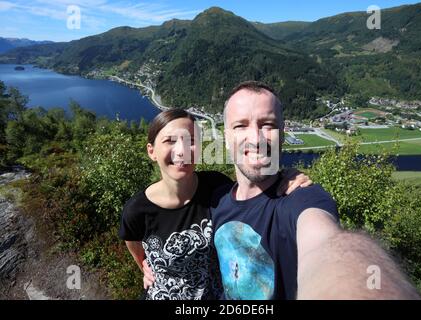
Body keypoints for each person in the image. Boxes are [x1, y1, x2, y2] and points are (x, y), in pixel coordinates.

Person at [209, 81, 421, 300]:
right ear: (226, 138)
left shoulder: (302, 198)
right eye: (240, 126)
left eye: (268, 125)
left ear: (282, 134)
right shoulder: (216, 201)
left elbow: (326, 243)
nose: (256, 139)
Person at [119, 109, 312, 300]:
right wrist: (145, 264)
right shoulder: (137, 210)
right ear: (151, 151)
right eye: (170, 141)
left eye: (191, 141)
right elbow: (133, 243)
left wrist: (285, 177)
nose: (181, 150)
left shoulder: (217, 186)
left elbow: (256, 197)